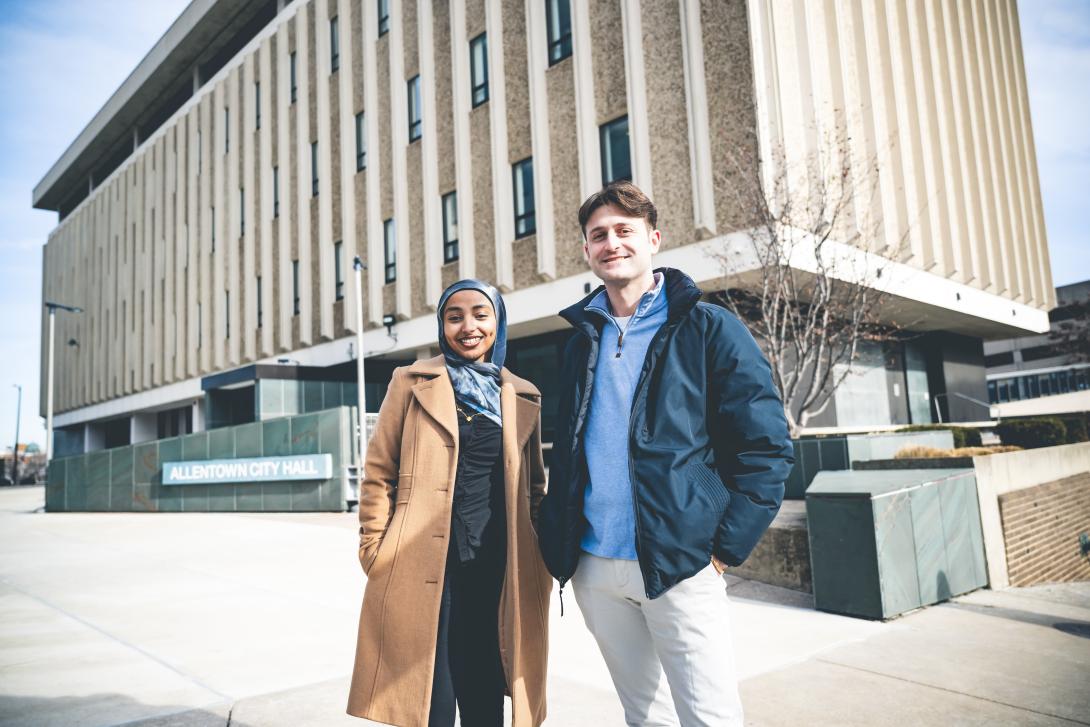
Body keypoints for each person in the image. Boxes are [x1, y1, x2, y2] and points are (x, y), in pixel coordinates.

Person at [537, 181, 794, 726]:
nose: (612, 243)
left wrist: (723, 549)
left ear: (653, 239)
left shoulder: (708, 327)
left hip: (682, 564)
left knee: (710, 717)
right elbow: (571, 449)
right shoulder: (581, 340)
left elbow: (766, 447)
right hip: (595, 567)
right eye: (598, 235)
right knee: (643, 716)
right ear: (587, 251)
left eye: (624, 231)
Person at [347, 280, 552, 727]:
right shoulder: (411, 380)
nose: (468, 326)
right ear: (442, 325)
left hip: (496, 565)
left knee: (484, 696)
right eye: (454, 316)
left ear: (498, 321)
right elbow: (379, 471)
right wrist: (373, 549)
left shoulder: (522, 393)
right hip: (423, 563)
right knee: (430, 700)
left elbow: (534, 488)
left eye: (481, 314)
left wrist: (538, 557)